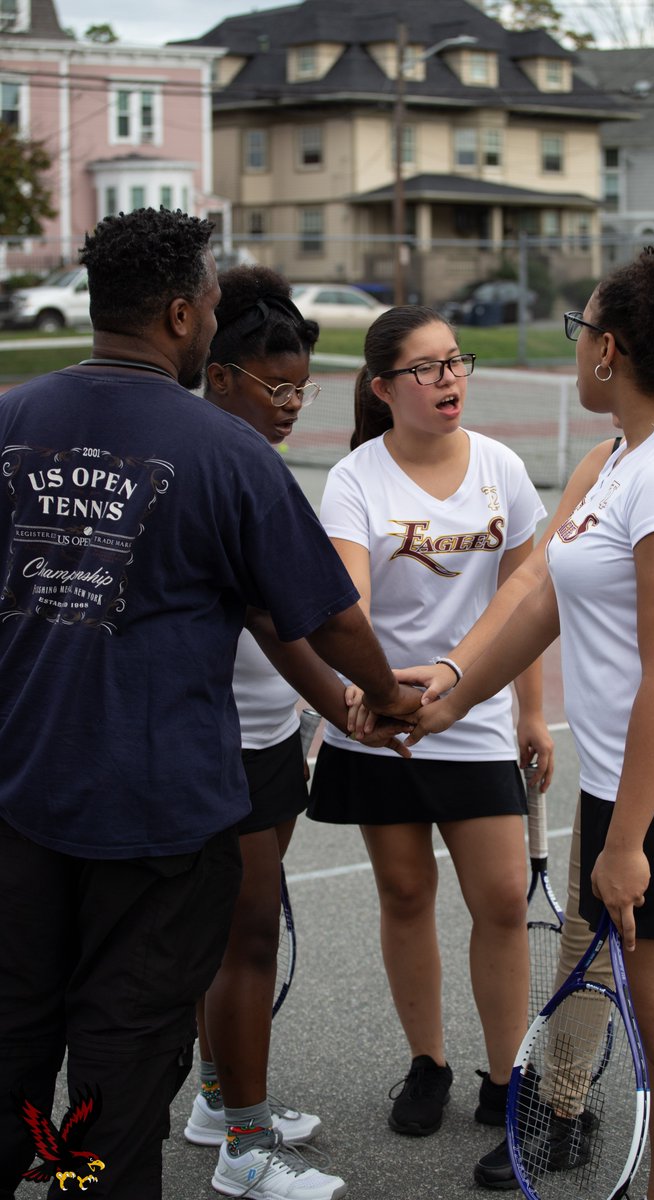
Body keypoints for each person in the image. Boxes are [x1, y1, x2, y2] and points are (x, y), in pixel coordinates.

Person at [0, 208, 419, 1200]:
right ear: (184, 316)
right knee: (123, 1069)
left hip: (19, 802)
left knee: (13, 1038)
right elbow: (325, 617)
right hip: (159, 822)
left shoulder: (10, 422)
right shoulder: (228, 456)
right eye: (215, 307)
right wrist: (388, 692)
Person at [402, 237, 654, 1200]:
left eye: (581, 329)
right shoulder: (623, 459)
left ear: (610, 351)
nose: (575, 349)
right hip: (637, 786)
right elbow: (543, 602)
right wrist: (454, 695)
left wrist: (628, 843)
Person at [306, 304, 554, 1189]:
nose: (449, 379)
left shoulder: (503, 468)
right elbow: (351, 605)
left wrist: (529, 712)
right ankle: (429, 1064)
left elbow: (527, 598)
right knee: (406, 892)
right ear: (383, 388)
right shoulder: (355, 479)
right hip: (386, 723)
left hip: (474, 718)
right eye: (426, 369)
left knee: (497, 899)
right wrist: (380, 693)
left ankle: (505, 1077)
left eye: (456, 363)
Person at [186, 265, 411, 1200]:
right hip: (228, 745)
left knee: (243, 935)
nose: (291, 405)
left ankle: (215, 1101)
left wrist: (322, 710)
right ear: (224, 372)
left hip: (271, 739)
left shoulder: (250, 461)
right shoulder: (218, 461)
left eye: (302, 389)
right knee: (243, 942)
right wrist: (365, 697)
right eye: (276, 387)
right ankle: (243, 1150)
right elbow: (282, 627)